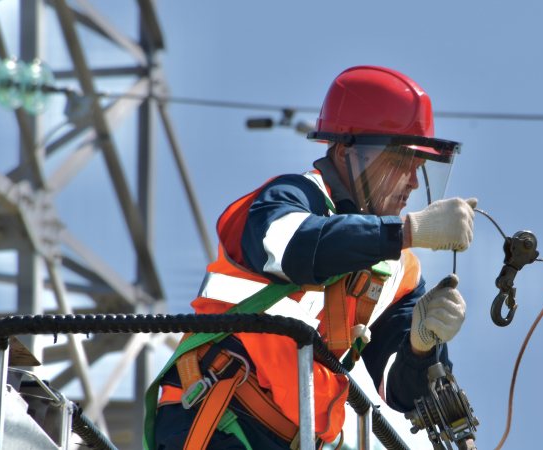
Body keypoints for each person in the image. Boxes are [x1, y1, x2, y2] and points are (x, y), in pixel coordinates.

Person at [149, 65, 476, 449]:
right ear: (348, 153)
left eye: (419, 167)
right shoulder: (290, 198)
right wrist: (405, 233)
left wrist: (422, 345)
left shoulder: (398, 272)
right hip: (217, 414)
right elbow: (290, 248)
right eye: (401, 162)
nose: (413, 182)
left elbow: (402, 390)